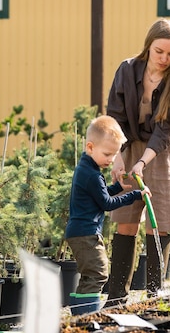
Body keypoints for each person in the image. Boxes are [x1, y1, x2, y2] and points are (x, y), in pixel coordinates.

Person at [106, 18, 170, 304]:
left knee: (160, 221)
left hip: (161, 151)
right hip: (128, 144)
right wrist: (118, 157)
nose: (164, 59)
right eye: (159, 52)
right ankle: (117, 294)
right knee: (125, 219)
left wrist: (143, 163)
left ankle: (154, 293)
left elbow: (166, 130)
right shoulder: (127, 69)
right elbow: (115, 115)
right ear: (148, 46)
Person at [64, 115, 151, 315]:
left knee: (89, 275)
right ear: (90, 147)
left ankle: (78, 315)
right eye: (107, 154)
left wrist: (117, 187)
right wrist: (135, 195)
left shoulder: (87, 169)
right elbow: (106, 204)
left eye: (114, 155)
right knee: (99, 273)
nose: (111, 159)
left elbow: (100, 194)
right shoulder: (92, 174)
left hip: (80, 232)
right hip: (86, 234)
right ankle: (87, 317)